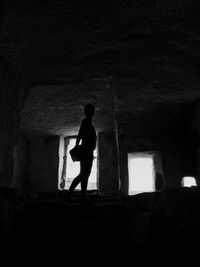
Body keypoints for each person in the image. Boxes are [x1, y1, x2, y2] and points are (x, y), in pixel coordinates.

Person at [66, 103, 96, 204]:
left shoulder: (89, 123)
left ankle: (82, 196)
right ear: (86, 112)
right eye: (90, 110)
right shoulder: (85, 122)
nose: (92, 112)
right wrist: (76, 147)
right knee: (83, 174)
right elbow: (79, 135)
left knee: (85, 174)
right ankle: (72, 195)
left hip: (88, 152)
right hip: (86, 152)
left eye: (92, 110)